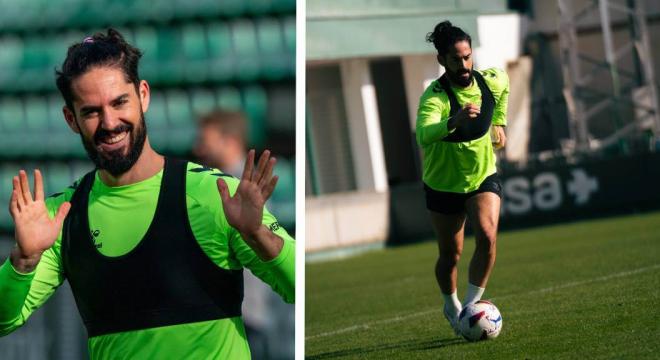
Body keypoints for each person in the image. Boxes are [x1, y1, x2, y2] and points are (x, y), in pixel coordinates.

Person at [0, 29, 295, 359]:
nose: (110, 122)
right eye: (91, 111)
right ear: (71, 119)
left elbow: (298, 286)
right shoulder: (63, 218)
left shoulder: (213, 192)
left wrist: (256, 234)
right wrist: (23, 260)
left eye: (119, 102)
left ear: (143, 95)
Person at [415, 21, 508, 335]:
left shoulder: (490, 81)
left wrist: (499, 122)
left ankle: (471, 308)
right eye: (456, 59)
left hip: (482, 175)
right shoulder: (435, 97)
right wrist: (452, 121)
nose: (464, 64)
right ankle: (450, 303)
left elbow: (505, 84)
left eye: (468, 57)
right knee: (450, 254)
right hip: (443, 185)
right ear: (442, 60)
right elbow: (423, 135)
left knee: (487, 235)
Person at [193, 109, 293, 358]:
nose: (198, 149)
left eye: (206, 141)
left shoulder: (245, 188)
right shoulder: (206, 185)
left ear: (231, 141)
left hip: (248, 313)